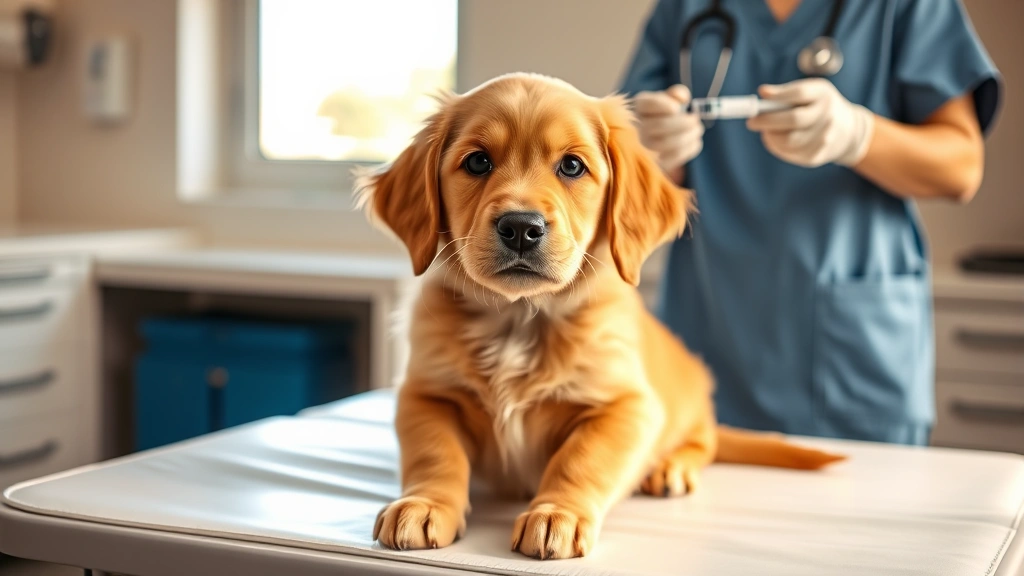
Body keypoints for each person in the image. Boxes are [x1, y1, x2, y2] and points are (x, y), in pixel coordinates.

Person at [619, 0, 1001, 445]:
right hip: (710, 336)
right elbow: (621, 172)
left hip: (854, 364)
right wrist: (649, 155)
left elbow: (961, 168)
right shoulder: (686, 9)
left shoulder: (908, 8)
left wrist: (858, 135)